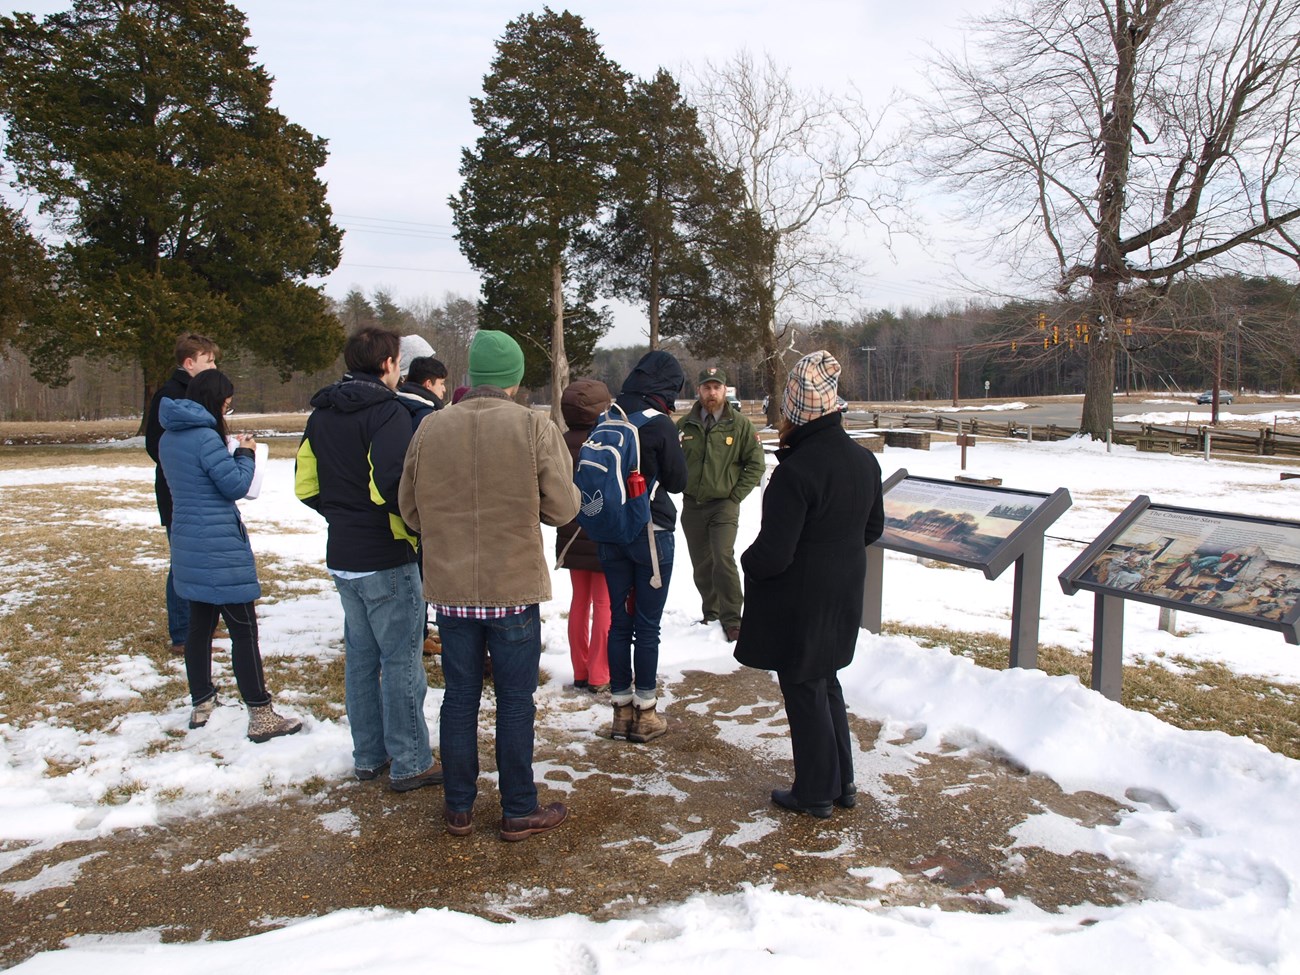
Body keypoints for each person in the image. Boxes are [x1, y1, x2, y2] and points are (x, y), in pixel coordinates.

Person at [399, 329, 580, 841]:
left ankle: (458, 808)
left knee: (459, 696)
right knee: (515, 700)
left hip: (452, 589)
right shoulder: (533, 426)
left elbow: (410, 511)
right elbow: (562, 508)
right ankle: (518, 808)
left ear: (471, 376)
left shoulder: (432, 427)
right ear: (516, 381)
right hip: (513, 587)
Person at [734, 351, 884, 819]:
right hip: (843, 591)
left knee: (803, 686)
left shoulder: (795, 473)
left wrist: (748, 562)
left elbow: (774, 554)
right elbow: (871, 529)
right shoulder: (863, 461)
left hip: (802, 600)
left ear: (796, 411)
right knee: (826, 682)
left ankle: (815, 791)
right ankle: (843, 783)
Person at [296, 327, 441, 792]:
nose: (400, 369)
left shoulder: (321, 412)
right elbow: (393, 488)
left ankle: (369, 756)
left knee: (361, 659)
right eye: (398, 362)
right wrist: (420, 528)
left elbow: (306, 485)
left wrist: (342, 514)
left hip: (343, 555)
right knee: (400, 662)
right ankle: (411, 761)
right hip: (385, 556)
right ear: (387, 364)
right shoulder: (387, 412)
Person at [159, 369, 302, 742]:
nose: (228, 407)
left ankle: (201, 702)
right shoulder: (206, 438)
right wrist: (245, 452)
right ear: (216, 400)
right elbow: (235, 485)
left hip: (188, 541)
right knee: (243, 630)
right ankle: (261, 714)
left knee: (198, 628)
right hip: (219, 544)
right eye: (227, 401)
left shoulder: (170, 437)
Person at [600, 350, 687, 743]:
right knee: (646, 627)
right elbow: (678, 481)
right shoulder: (660, 424)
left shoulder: (609, 417)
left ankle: (619, 714)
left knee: (619, 623)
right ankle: (646, 714)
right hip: (652, 535)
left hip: (611, 535)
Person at [676, 366, 765, 642]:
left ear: (725, 390)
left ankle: (732, 619)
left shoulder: (739, 425)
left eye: (717, 387)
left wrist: (735, 495)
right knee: (701, 563)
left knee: (723, 558)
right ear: (699, 390)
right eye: (706, 387)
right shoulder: (685, 425)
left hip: (723, 505)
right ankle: (711, 612)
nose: (712, 392)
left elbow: (756, 464)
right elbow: (670, 460)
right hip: (692, 505)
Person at [145, 332, 219, 655]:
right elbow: (156, 446)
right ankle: (181, 633)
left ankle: (202, 627)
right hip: (178, 493)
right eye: (209, 360)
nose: (214, 365)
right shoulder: (169, 396)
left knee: (203, 559)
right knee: (182, 562)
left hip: (204, 491)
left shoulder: (201, 393)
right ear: (190, 363)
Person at [555, 378, 613, 693]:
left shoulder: (558, 442)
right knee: (604, 603)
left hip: (571, 533)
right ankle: (599, 673)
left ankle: (580, 670)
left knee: (580, 601)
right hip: (602, 532)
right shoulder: (605, 441)